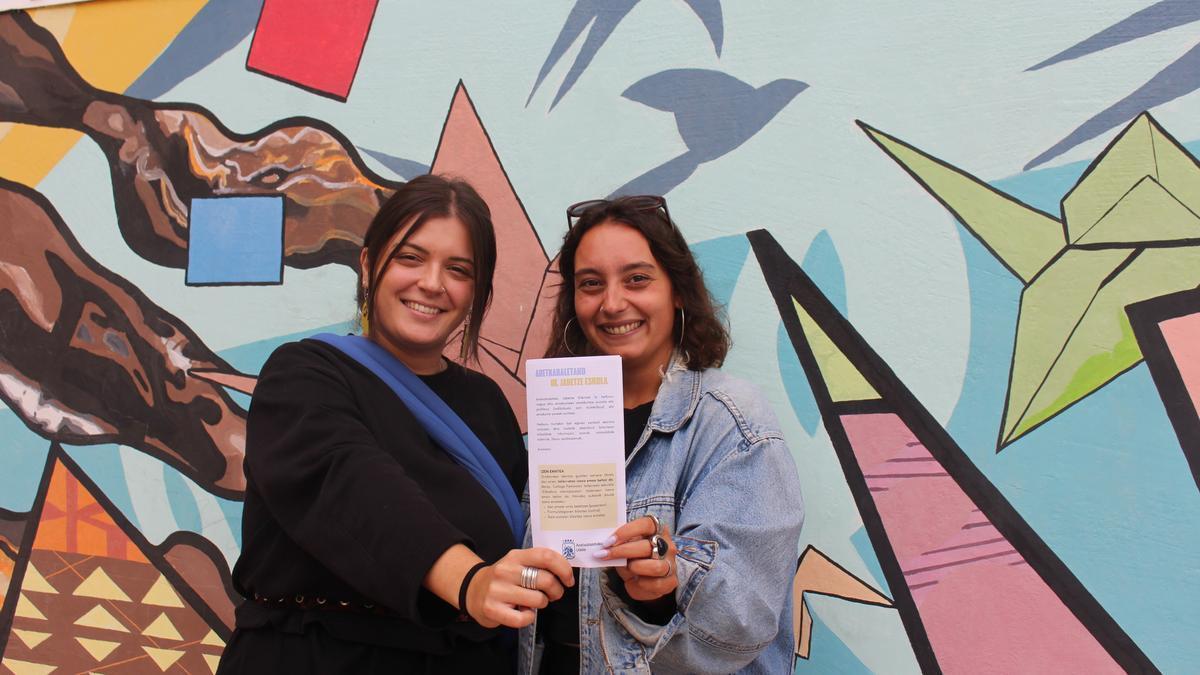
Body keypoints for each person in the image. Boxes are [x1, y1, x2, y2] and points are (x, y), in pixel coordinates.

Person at [218, 175, 573, 674]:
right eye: (410, 257)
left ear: (476, 292)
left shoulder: (489, 405)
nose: (431, 283)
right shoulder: (303, 375)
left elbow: (533, 537)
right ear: (368, 265)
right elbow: (350, 483)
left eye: (458, 269)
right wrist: (469, 581)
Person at [522, 196, 804, 674]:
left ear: (677, 291)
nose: (612, 303)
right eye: (591, 284)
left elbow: (746, 617)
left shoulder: (730, 420)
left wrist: (666, 581)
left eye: (637, 279)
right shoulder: (556, 425)